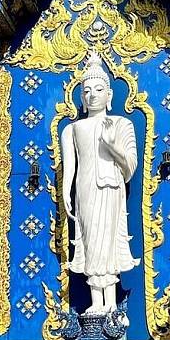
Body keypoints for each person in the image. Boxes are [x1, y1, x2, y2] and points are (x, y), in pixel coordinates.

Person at [61, 51, 140, 315]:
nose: (92, 95)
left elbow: (129, 167)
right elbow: (70, 167)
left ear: (109, 94)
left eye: (98, 89)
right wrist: (65, 192)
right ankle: (97, 303)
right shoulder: (72, 129)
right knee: (91, 242)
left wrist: (112, 145)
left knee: (109, 243)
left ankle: (111, 303)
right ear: (82, 98)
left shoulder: (121, 124)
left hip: (112, 187)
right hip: (85, 189)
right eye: (87, 91)